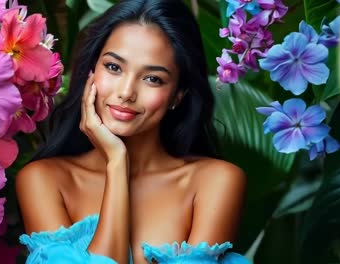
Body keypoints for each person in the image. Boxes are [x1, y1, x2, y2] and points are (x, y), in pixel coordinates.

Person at [16, 0, 249, 263]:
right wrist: (116, 164)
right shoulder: (44, 180)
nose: (126, 92)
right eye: (114, 67)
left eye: (153, 78)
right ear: (91, 73)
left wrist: (117, 162)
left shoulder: (214, 182)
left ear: (178, 95)